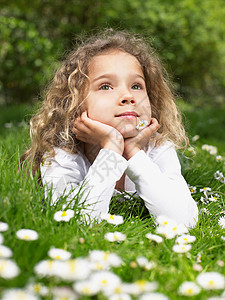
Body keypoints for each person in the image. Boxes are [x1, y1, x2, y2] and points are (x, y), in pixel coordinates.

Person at [22, 29, 198, 227]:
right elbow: (77, 223)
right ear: (74, 103)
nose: (128, 96)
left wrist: (133, 153)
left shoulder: (156, 147)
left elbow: (183, 222)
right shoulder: (63, 154)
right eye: (106, 86)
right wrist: (112, 149)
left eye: (137, 86)